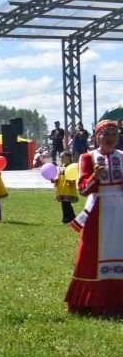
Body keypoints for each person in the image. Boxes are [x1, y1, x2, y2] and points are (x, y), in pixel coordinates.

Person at [65, 120, 123, 315]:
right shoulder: (87, 157)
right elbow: (82, 189)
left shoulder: (122, 156)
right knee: (91, 254)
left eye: (114, 134)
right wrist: (94, 177)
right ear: (97, 137)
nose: (110, 138)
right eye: (106, 134)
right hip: (98, 209)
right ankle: (91, 302)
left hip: (120, 209)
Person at [54, 151, 79, 224]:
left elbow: (73, 177)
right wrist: (55, 180)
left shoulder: (71, 167)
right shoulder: (61, 167)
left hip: (68, 189)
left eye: (63, 157)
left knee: (66, 204)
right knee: (65, 204)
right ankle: (72, 219)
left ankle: (66, 219)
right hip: (62, 188)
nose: (61, 159)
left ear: (68, 158)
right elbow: (59, 177)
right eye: (60, 157)